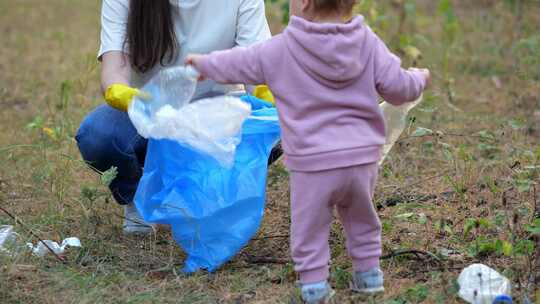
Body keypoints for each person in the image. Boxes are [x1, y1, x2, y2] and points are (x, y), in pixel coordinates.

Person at [186, 0, 430, 302]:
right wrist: (419, 78)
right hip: (361, 160)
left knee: (309, 226)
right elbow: (398, 88)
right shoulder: (368, 42)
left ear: (302, 2)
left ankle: (315, 285)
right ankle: (368, 276)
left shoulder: (281, 49)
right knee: (362, 219)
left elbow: (239, 62)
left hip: (312, 164)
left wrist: (202, 65)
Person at [76, 0, 281, 235]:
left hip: (213, 118)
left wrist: (271, 102)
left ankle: (206, 196)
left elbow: (256, 69)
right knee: (98, 134)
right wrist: (122, 94)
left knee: (277, 128)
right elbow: (115, 70)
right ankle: (141, 198)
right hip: (149, 116)